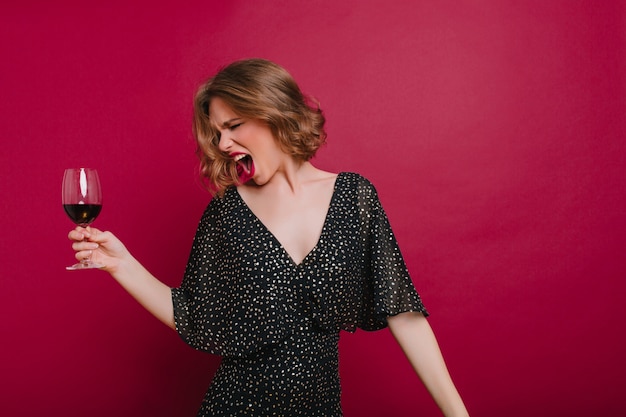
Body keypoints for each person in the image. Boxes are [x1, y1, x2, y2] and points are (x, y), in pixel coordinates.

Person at [68, 58, 469, 416]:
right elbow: (190, 313)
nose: (223, 144)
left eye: (234, 126)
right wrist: (120, 264)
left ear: (274, 113)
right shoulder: (227, 213)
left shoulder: (354, 198)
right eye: (216, 132)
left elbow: (404, 314)